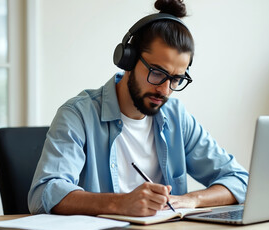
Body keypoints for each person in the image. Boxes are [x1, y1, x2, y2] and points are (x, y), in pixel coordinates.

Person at [28, 0, 249, 217]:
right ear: (128, 59)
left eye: (176, 79)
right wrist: (120, 203)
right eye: (157, 73)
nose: (165, 90)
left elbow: (239, 179)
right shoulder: (78, 115)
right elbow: (44, 192)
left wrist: (192, 199)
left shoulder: (176, 116)